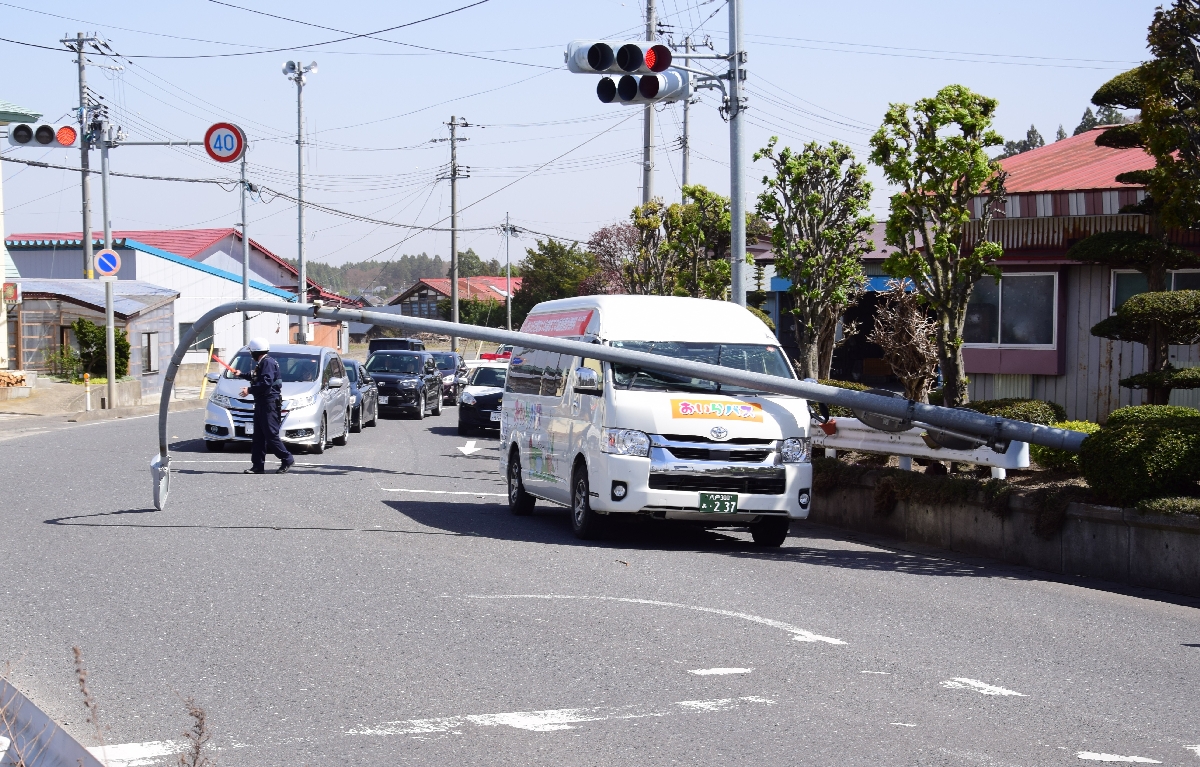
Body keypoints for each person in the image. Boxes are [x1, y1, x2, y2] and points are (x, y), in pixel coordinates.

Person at [236, 337, 294, 474]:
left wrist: (249, 390)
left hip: (269, 404)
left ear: (256, 352)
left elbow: (266, 382)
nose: (251, 355)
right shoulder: (264, 362)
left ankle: (287, 458)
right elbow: (256, 376)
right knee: (258, 437)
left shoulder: (267, 362)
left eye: (251, 352)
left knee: (271, 435)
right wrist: (241, 375)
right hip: (262, 403)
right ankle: (257, 465)